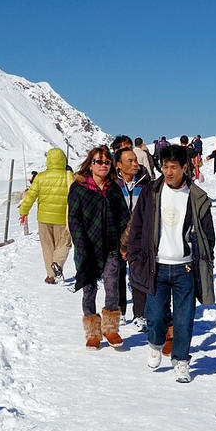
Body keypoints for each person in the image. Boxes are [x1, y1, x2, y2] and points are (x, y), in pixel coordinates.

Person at [128, 144, 215, 383]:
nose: (168, 172)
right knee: (154, 316)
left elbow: (208, 234)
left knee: (184, 318)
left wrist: (207, 261)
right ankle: (156, 343)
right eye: (164, 167)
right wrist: (134, 257)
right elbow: (137, 226)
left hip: (184, 267)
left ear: (185, 168)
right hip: (156, 265)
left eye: (173, 167)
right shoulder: (151, 192)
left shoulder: (196, 197)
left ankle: (181, 361)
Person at [68, 145, 131, 350]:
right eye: (98, 161)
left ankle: (111, 329)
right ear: (90, 164)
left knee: (112, 285)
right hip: (87, 246)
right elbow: (74, 219)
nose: (103, 165)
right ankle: (92, 332)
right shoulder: (79, 188)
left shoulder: (113, 188)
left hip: (111, 245)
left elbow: (124, 217)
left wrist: (125, 242)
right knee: (89, 288)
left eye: (106, 162)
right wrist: (80, 243)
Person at [18, 148, 73, 284]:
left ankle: (50, 275)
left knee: (47, 246)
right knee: (64, 243)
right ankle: (58, 263)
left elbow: (30, 196)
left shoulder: (40, 177)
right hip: (63, 218)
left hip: (44, 218)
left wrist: (24, 211)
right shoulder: (69, 176)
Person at [114, 147, 152, 331]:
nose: (135, 164)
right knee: (118, 275)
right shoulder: (113, 184)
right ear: (119, 165)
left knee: (138, 275)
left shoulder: (145, 182)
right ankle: (121, 310)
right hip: (116, 235)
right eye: (130, 161)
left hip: (139, 235)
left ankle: (140, 314)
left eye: (136, 160)